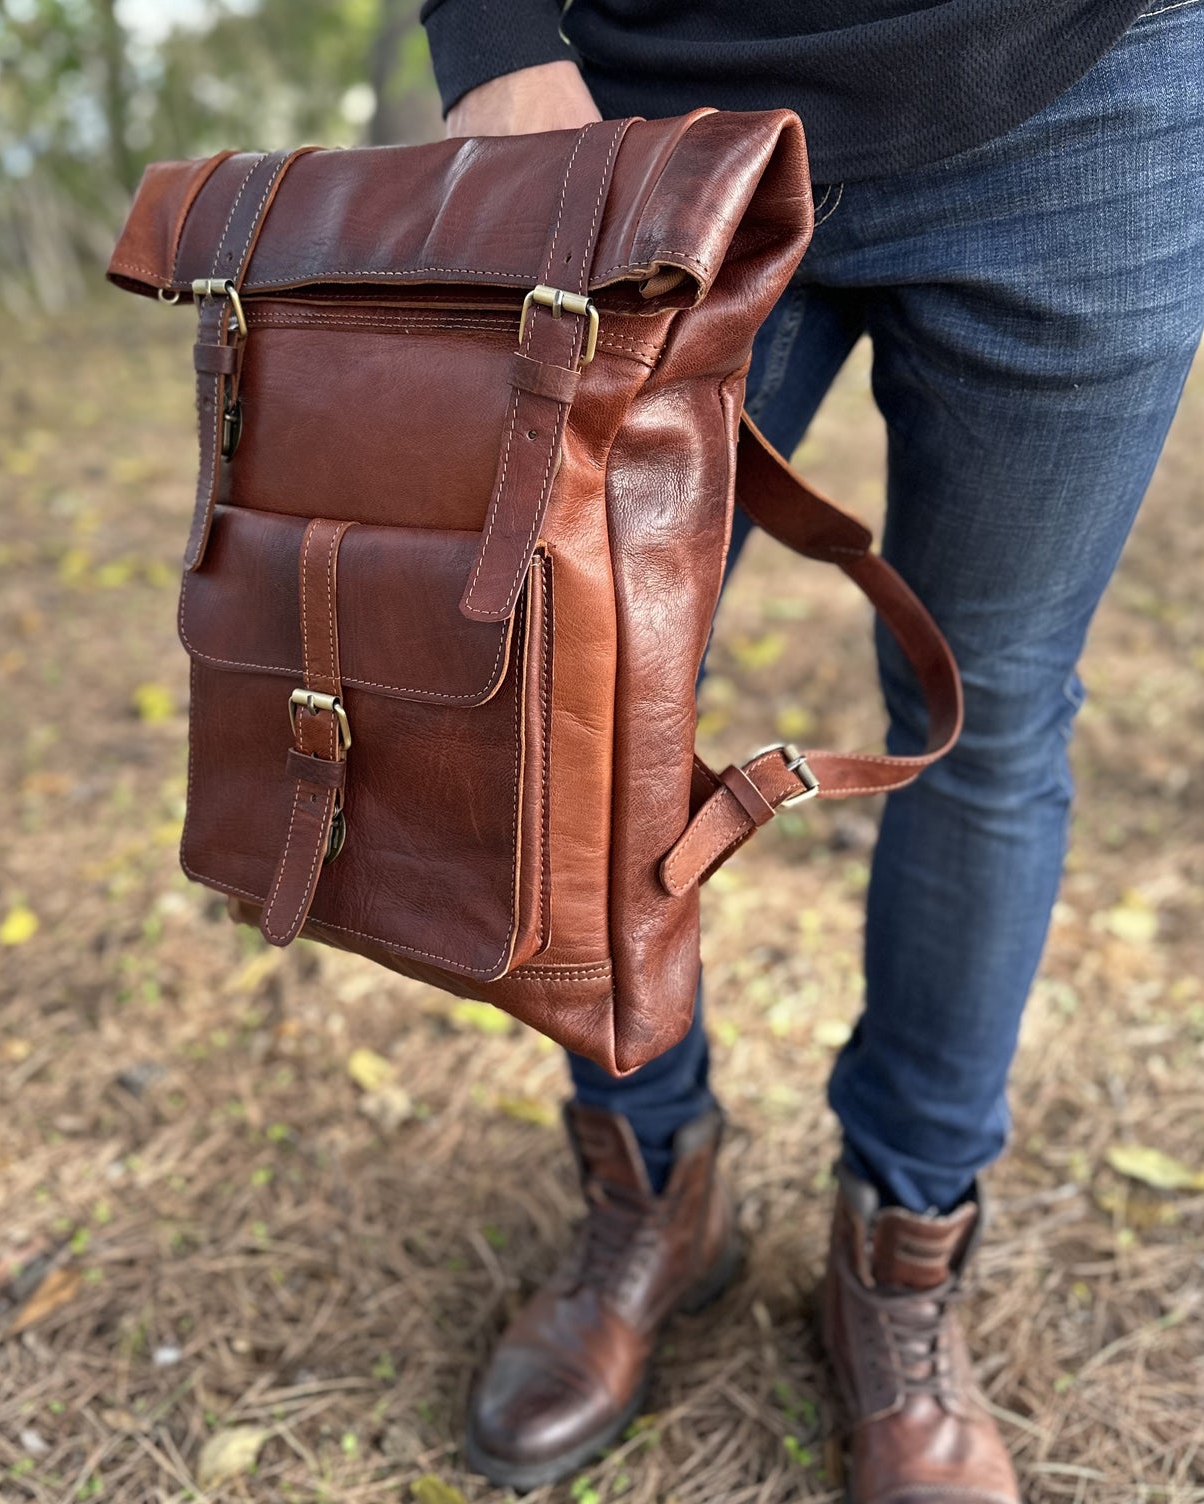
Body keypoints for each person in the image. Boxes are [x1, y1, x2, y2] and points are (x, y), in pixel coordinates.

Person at [419, 1, 1204, 1497]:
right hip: (642, 105)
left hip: (1087, 99)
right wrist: (491, 28)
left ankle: (897, 1262)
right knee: (576, 697)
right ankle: (653, 1190)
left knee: (992, 711)